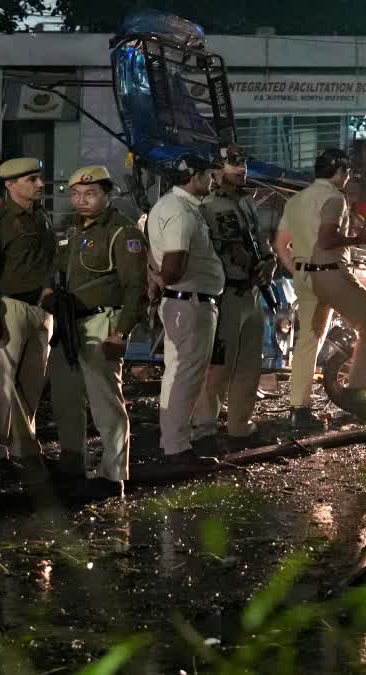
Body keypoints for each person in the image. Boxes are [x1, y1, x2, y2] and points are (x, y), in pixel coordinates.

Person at [45, 166, 147, 497]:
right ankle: (72, 462)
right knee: (65, 396)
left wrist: (121, 332)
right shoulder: (73, 231)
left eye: (90, 194)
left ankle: (113, 474)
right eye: (76, 194)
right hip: (69, 323)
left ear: (107, 195)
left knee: (105, 400)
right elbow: (60, 271)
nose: (81, 200)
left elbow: (136, 288)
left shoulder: (123, 232)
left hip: (103, 323)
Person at [277, 148, 366, 435]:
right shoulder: (334, 197)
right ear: (339, 172)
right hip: (330, 273)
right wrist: (357, 238)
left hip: (304, 276)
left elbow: (281, 244)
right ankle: (358, 394)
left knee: (308, 341)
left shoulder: (296, 199)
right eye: (346, 173)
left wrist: (298, 270)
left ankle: (298, 410)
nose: (347, 178)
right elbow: (326, 239)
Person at [0, 157, 54, 472]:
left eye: (38, 178)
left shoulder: (40, 217)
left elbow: (48, 260)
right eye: (31, 179)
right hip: (10, 308)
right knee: (1, 383)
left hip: (40, 309)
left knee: (31, 382)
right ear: (10, 185)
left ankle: (24, 447)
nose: (39, 184)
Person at [192, 143, 276, 445]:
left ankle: (239, 425)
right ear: (215, 170)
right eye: (232, 164)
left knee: (249, 365)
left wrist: (269, 261)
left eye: (242, 163)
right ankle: (205, 427)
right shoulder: (209, 205)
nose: (241, 169)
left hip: (252, 292)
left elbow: (259, 238)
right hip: (226, 293)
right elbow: (224, 249)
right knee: (219, 365)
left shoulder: (246, 201)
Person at [147, 154, 223, 465]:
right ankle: (177, 448)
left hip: (185, 301)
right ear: (194, 177)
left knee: (178, 373)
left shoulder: (176, 206)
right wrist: (161, 281)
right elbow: (174, 266)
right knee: (184, 375)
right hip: (188, 302)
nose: (212, 180)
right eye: (208, 175)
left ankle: (173, 443)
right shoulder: (180, 212)